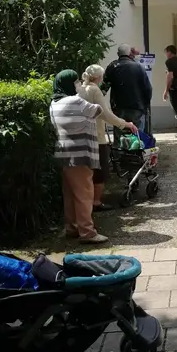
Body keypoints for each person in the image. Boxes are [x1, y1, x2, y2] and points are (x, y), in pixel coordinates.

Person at [52, 69, 136, 244]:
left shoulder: (54, 103)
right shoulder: (76, 101)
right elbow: (98, 111)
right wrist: (124, 123)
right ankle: (87, 232)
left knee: (70, 194)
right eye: (75, 82)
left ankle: (71, 227)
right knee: (84, 193)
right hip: (81, 153)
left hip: (64, 153)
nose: (77, 84)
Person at [81, 63, 134, 212]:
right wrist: (124, 124)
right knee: (100, 172)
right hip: (97, 137)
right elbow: (104, 113)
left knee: (87, 173)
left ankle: (85, 203)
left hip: (83, 136)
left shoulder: (81, 89)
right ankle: (96, 202)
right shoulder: (95, 90)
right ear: (99, 77)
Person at [106, 44, 152, 134]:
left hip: (118, 106)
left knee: (120, 129)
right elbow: (147, 88)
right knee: (136, 132)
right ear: (130, 53)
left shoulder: (112, 66)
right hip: (136, 106)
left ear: (118, 54)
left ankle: (119, 146)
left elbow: (104, 86)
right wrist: (145, 104)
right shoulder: (138, 67)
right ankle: (136, 147)